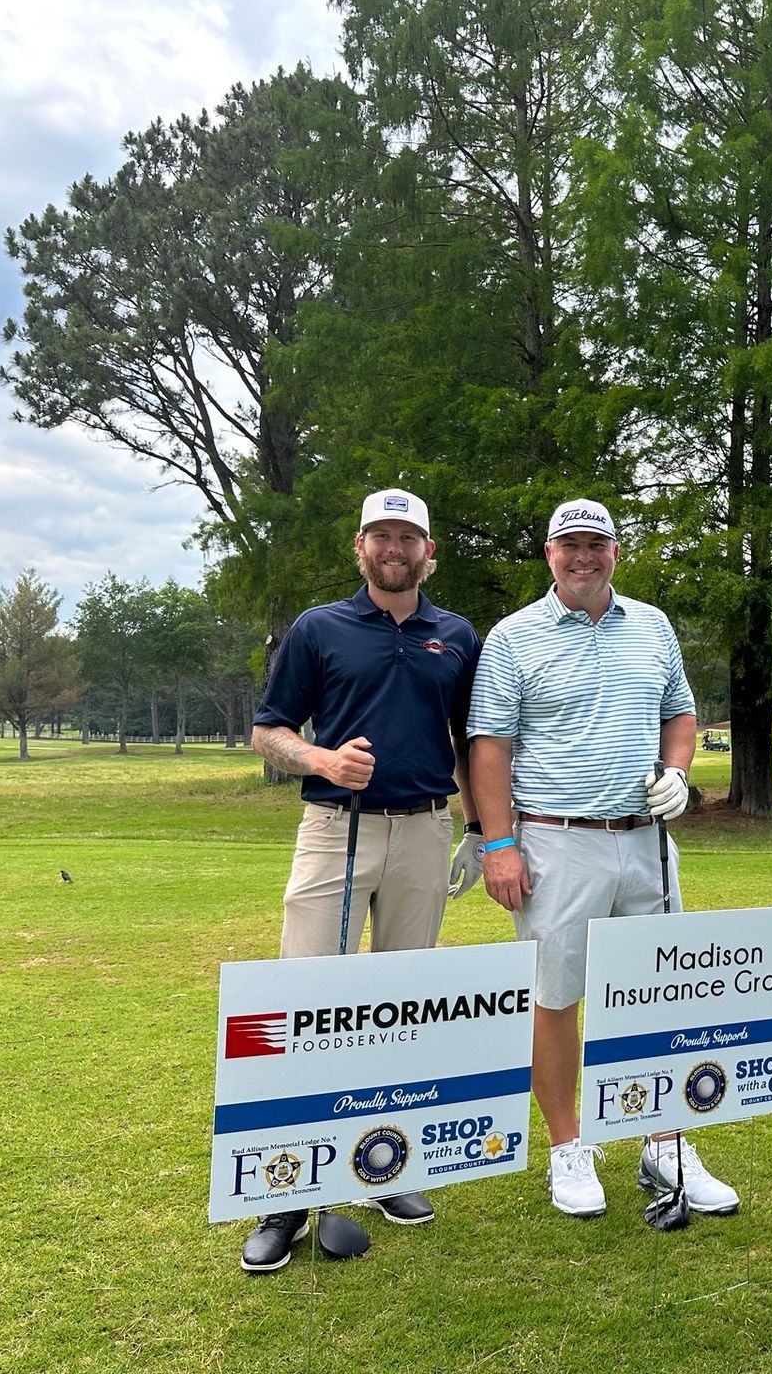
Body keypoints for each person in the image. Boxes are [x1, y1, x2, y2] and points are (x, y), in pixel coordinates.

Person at [467, 499, 738, 1220]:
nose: (584, 556)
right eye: (570, 545)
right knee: (556, 996)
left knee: (656, 993)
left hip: (645, 837)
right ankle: (569, 1146)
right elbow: (488, 746)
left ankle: (664, 1139)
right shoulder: (513, 637)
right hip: (555, 838)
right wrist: (498, 844)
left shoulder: (651, 625)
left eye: (597, 544)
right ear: (549, 555)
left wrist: (678, 770)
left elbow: (680, 713)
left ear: (616, 552)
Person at [241, 487, 481, 1272]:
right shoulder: (319, 627)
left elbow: (471, 739)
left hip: (424, 829)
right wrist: (319, 759)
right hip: (334, 830)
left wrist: (481, 829)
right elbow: (268, 728)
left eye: (407, 536)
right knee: (307, 1002)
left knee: (401, 1008)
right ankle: (287, 1194)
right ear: (360, 547)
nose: (393, 547)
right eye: (380, 534)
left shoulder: (456, 635)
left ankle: (385, 1166)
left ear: (428, 552)